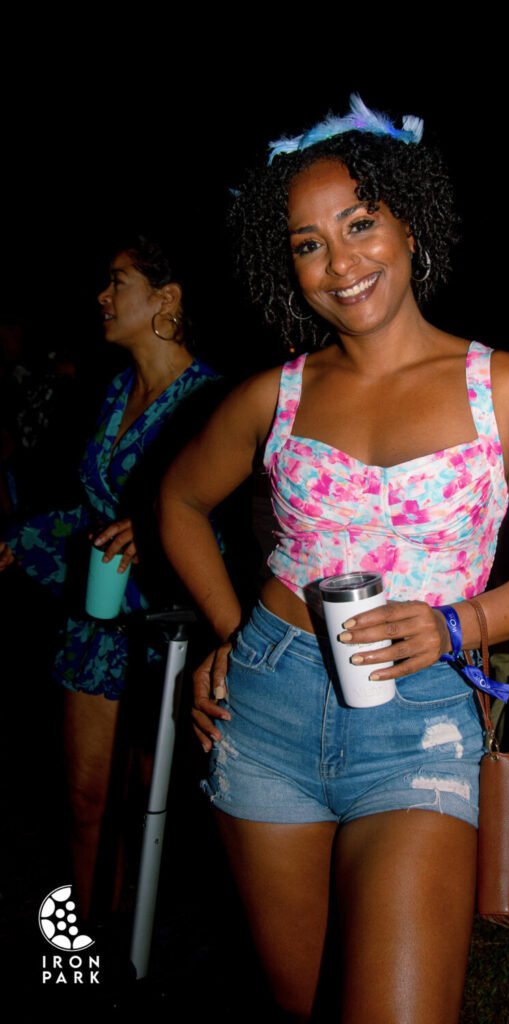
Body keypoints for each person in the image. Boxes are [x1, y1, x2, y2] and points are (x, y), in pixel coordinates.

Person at [159, 96, 509, 1022]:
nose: (340, 262)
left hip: (420, 721)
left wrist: (458, 623)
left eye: (359, 224)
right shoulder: (275, 394)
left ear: (409, 223)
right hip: (265, 715)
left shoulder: (505, 388)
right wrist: (234, 633)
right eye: (308, 243)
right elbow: (178, 501)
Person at [0, 235, 220, 922]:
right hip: (96, 626)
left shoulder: (212, 400)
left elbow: (235, 530)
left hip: (168, 630)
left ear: (166, 298)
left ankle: (143, 942)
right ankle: (87, 946)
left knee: (148, 805)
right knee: (85, 800)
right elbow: (96, 512)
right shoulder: (114, 389)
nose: (101, 296)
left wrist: (159, 533)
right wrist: (19, 540)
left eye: (117, 281)